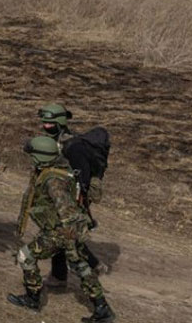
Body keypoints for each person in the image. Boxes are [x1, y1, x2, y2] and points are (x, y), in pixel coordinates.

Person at [10, 136, 115, 323]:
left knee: (26, 256)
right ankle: (102, 308)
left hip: (61, 231)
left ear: (41, 157)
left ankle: (33, 298)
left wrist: (68, 239)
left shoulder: (53, 180)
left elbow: (66, 209)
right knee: (81, 267)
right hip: (67, 231)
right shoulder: (59, 169)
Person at [39, 104, 106, 285]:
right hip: (59, 195)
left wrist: (75, 203)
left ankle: (85, 269)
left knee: (63, 234)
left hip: (72, 197)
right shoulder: (57, 142)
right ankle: (64, 274)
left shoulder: (73, 146)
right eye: (44, 122)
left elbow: (81, 178)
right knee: (62, 234)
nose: (46, 126)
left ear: (59, 122)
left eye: (49, 123)